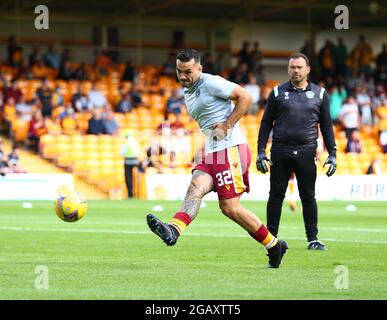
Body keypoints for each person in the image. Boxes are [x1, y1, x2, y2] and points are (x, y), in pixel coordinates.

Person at [146, 48, 288, 268]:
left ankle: (274, 245)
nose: (183, 76)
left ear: (200, 68)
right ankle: (173, 230)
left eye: (188, 71)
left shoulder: (210, 82)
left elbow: (245, 97)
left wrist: (226, 126)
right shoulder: (188, 89)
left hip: (231, 149)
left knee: (229, 207)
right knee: (195, 186)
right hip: (214, 152)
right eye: (179, 71)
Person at [257, 52, 337, 251]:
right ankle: (271, 239)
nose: (296, 70)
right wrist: (260, 151)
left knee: (308, 196)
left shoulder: (320, 94)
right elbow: (266, 122)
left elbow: (327, 126)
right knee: (276, 196)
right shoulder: (277, 92)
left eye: (300, 67)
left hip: (307, 151)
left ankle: (313, 239)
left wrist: (333, 153)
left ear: (308, 70)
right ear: (288, 69)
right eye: (292, 67)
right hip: (280, 151)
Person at [121, 129, 141, 198]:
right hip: (136, 161)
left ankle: (130, 195)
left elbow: (122, 153)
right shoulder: (136, 142)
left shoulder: (126, 142)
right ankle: (139, 194)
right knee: (137, 178)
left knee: (128, 178)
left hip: (128, 162)